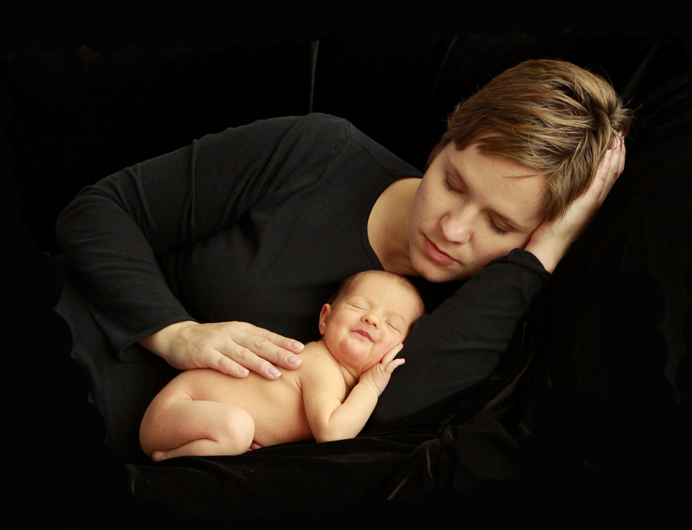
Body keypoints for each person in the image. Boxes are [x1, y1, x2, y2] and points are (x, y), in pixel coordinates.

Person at [55, 58, 631, 461]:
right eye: (452, 183)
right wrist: (175, 333)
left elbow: (386, 415)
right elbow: (99, 211)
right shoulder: (318, 153)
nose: (452, 229)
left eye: (500, 225)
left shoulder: (479, 307)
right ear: (441, 145)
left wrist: (545, 253)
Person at [139, 270, 425, 461]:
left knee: (237, 430)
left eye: (391, 324)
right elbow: (333, 434)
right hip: (176, 410)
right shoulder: (321, 365)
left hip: (189, 415)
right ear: (325, 319)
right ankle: (167, 459)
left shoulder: (334, 375)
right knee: (237, 429)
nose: (372, 319)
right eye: (359, 306)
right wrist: (371, 386)